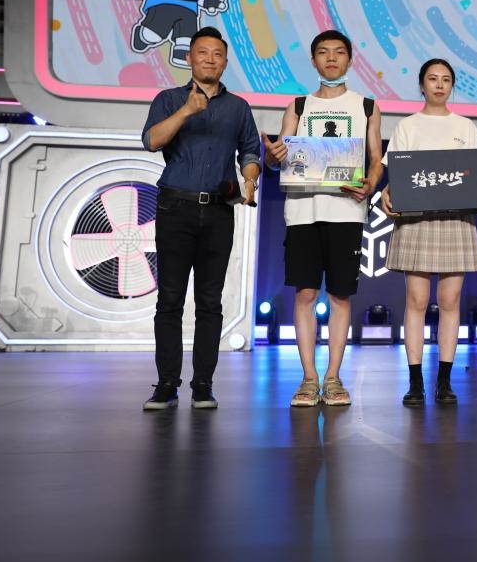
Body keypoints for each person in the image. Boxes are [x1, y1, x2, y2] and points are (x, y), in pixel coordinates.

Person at [141, 26, 260, 410]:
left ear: (225, 62)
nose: (210, 59)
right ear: (189, 58)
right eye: (203, 53)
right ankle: (166, 384)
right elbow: (152, 140)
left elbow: (250, 151)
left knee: (210, 301)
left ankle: (203, 384)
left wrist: (250, 178)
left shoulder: (238, 107)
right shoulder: (169, 99)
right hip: (175, 208)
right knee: (170, 299)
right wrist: (187, 111)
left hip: (219, 211)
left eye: (217, 54)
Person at [264, 30, 383, 408]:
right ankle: (308, 378)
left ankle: (333, 377)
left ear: (350, 59)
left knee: (340, 295)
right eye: (323, 52)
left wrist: (371, 183)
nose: (331, 58)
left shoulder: (366, 106)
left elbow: (376, 159)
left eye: (339, 52)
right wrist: (273, 156)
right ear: (313, 60)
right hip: (303, 211)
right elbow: (279, 157)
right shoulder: (298, 106)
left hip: (346, 211)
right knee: (305, 293)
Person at [381, 59, 477, 406]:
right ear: (421, 85)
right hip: (416, 219)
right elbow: (395, 176)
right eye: (432, 79)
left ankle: (444, 381)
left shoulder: (465, 126)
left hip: (455, 220)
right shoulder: (407, 126)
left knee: (449, 302)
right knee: (416, 301)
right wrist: (388, 192)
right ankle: (415, 382)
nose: (439, 85)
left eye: (446, 79)